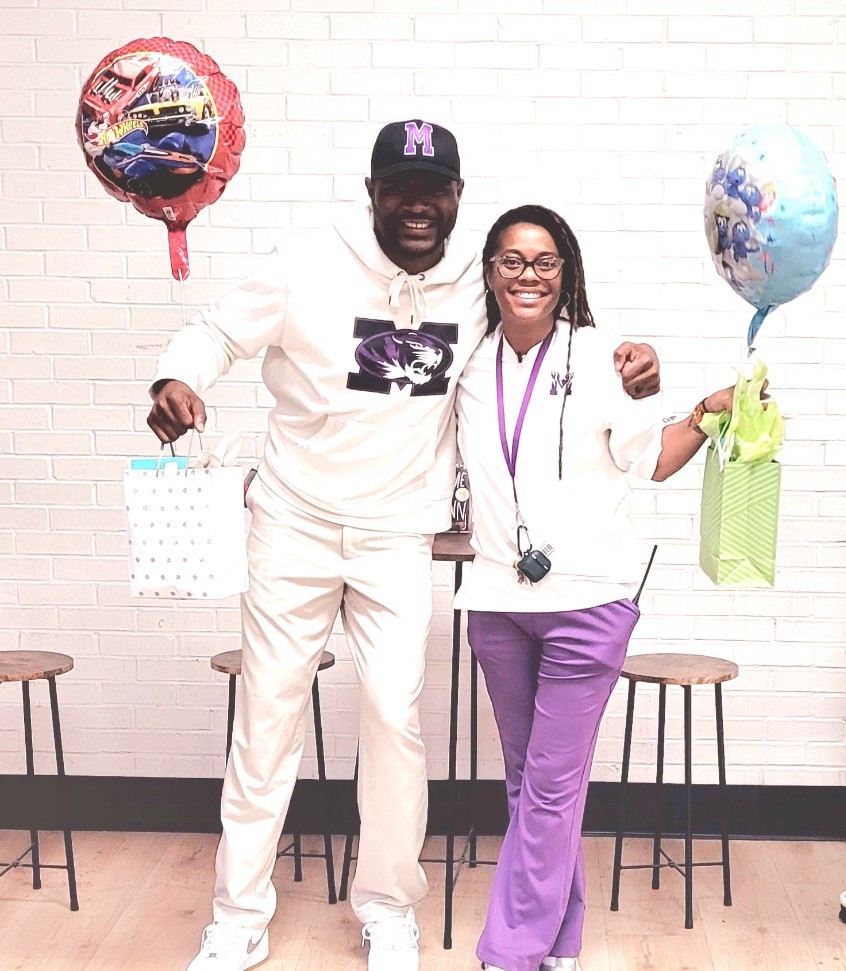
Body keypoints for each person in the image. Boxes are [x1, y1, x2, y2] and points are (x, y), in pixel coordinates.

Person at [145, 121, 660, 971]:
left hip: (394, 535)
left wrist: (635, 361)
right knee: (267, 718)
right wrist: (176, 377)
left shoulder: (474, 278)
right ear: (373, 192)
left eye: (436, 191)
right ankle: (238, 916)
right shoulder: (303, 262)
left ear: (457, 198)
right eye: (400, 190)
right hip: (293, 521)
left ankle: (386, 906)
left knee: (392, 718)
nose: (418, 206)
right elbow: (213, 332)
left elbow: (557, 332)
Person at [453, 205, 747, 971]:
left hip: (586, 603)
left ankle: (507, 954)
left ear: (565, 274)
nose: (528, 275)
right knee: (530, 785)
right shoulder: (465, 366)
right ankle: (560, 942)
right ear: (488, 271)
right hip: (495, 601)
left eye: (544, 261)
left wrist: (697, 408)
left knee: (548, 788)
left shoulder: (601, 358)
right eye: (512, 260)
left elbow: (647, 461)